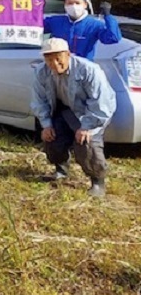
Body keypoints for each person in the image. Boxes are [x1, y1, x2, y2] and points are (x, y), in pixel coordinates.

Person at [31, 37, 116, 197]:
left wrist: (87, 127)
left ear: (68, 54)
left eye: (58, 58)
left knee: (86, 144)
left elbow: (101, 103)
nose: (54, 64)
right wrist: (46, 124)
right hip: (64, 110)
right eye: (49, 59)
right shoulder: (40, 72)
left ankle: (97, 181)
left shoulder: (89, 70)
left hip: (91, 113)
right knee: (52, 138)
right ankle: (61, 170)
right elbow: (39, 100)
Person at [43, 0, 121, 61]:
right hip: (59, 68)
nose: (73, 6)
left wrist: (108, 16)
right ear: (65, 5)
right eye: (70, 3)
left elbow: (113, 38)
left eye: (77, 3)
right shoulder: (55, 22)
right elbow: (35, 27)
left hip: (83, 69)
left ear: (85, 5)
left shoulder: (94, 25)